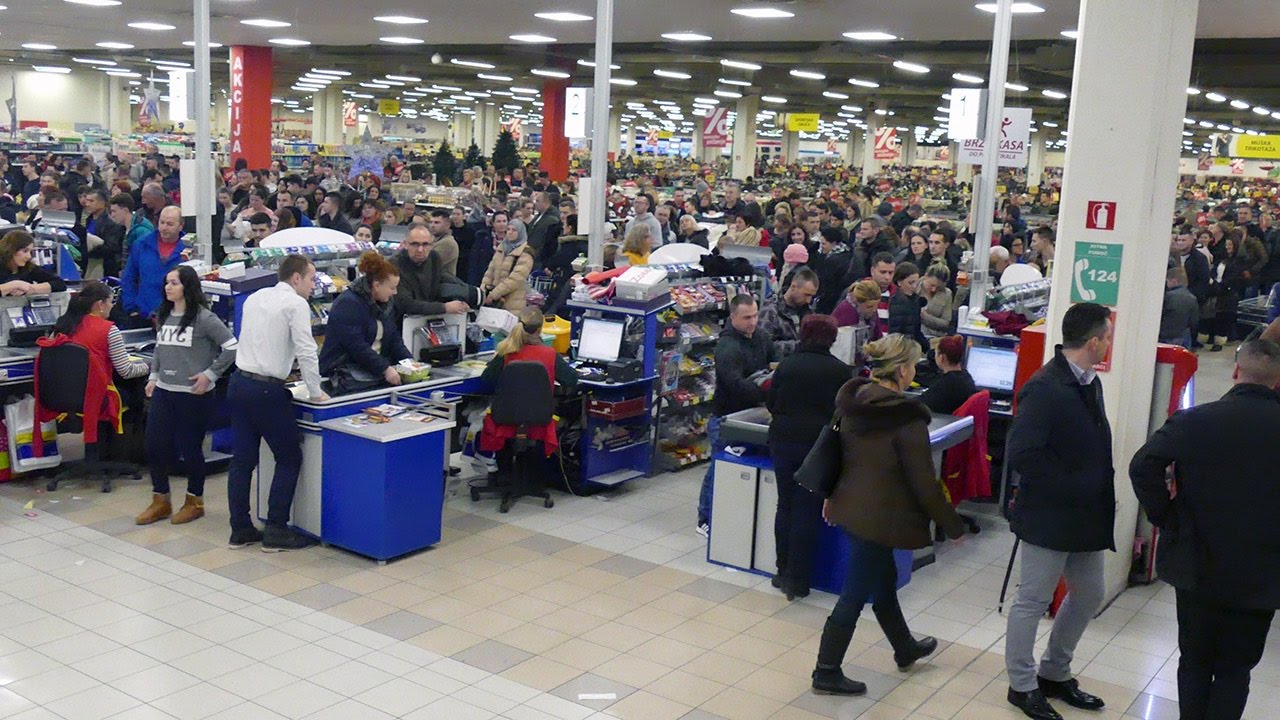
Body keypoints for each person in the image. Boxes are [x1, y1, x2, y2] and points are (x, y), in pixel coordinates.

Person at [1127, 338, 1280, 720]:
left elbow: (1142, 467)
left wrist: (1168, 516)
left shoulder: (1195, 421)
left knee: (1194, 662)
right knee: (1235, 669)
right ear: (1277, 381)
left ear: (1236, 370)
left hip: (1197, 563)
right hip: (1262, 573)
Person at [812, 334, 965, 696]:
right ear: (900, 370)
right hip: (879, 517)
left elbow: (839, 454)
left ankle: (904, 647)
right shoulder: (906, 420)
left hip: (851, 507)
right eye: (912, 365)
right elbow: (925, 483)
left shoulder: (853, 401)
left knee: (883, 584)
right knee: (854, 595)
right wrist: (952, 524)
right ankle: (826, 670)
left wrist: (830, 495)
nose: (915, 371)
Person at [1005, 302, 1114, 720]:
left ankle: (1055, 671)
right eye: (1106, 336)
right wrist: (1074, 483)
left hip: (1086, 514)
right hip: (1049, 514)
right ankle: (1022, 684)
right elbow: (1023, 454)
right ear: (1092, 341)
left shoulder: (1089, 382)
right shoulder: (1045, 387)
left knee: (1088, 593)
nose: (1108, 343)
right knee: (1032, 599)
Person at [226, 254, 327, 552]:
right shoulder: (295, 303)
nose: (313, 285)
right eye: (311, 279)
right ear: (296, 278)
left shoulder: (256, 297)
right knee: (289, 457)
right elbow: (306, 351)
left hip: (240, 383)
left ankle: (240, 528)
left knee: (242, 460)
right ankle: (276, 529)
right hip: (267, 392)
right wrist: (316, 391)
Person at [136, 267, 238, 526]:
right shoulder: (164, 314)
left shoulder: (205, 318)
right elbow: (161, 347)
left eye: (174, 283)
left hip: (194, 395)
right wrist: (153, 377)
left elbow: (232, 347)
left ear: (187, 287)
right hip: (165, 392)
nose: (168, 287)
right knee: (154, 445)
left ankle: (195, 501)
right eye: (167, 282)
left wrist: (210, 375)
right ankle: (161, 499)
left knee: (191, 448)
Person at [766, 315, 851, 601]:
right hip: (817, 447)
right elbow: (843, 415)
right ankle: (799, 580)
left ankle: (781, 570)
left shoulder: (787, 365)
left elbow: (772, 402)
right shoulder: (840, 372)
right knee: (807, 511)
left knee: (785, 505)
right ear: (832, 338)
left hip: (782, 441)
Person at [696, 294, 778, 536]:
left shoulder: (762, 337)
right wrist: (763, 387)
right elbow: (734, 384)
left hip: (755, 415)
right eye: (746, 318)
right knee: (718, 470)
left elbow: (776, 364)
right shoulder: (727, 347)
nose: (752, 322)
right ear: (733, 318)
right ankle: (705, 518)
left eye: (754, 316)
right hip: (726, 418)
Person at [319, 251, 411, 395]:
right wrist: (385, 368)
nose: (395, 292)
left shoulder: (386, 304)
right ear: (376, 285)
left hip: (373, 373)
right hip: (344, 376)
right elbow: (356, 345)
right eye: (392, 288)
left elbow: (393, 338)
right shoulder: (348, 303)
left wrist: (409, 364)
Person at [121, 206, 186, 326]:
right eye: (162, 223)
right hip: (143, 314)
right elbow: (129, 277)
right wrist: (131, 307)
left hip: (178, 315)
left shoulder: (189, 248)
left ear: (181, 226)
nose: (164, 228)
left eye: (170, 224)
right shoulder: (141, 244)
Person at [392, 225, 470, 323]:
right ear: (405, 244)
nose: (420, 250)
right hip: (402, 322)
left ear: (432, 245)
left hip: (429, 318)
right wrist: (444, 307)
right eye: (415, 244)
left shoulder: (434, 257)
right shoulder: (394, 265)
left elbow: (447, 278)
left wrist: (466, 294)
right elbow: (405, 304)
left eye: (425, 244)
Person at [758, 268, 818, 356]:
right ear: (793, 287)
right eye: (806, 295)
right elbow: (763, 346)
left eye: (812, 296)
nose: (809, 300)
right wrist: (798, 346)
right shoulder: (771, 311)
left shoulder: (808, 311)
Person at [482, 218, 535, 313]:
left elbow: (515, 279)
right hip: (494, 302)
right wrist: (483, 292)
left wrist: (493, 295)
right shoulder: (501, 248)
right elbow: (489, 273)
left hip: (513, 303)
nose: (510, 232)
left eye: (514, 230)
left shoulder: (526, 253)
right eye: (508, 229)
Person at [920, 335, 977, 415]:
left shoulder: (947, 384)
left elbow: (920, 404)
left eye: (936, 353)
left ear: (941, 357)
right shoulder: (965, 376)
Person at [0, 230, 67, 296]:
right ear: (10, 249)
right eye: (25, 251)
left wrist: (31, 288)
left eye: (31, 252)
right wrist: (14, 285)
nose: (29, 256)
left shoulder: (28, 267)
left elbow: (60, 284)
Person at [888, 262, 926, 350]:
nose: (914, 286)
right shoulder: (895, 301)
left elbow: (916, 329)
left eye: (916, 282)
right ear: (899, 282)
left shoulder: (915, 300)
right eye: (910, 282)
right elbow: (895, 332)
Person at [1160, 264, 1200, 348]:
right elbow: (1194, 322)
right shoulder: (1192, 298)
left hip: (1164, 336)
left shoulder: (1167, 297)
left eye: (1167, 281)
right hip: (1183, 337)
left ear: (1174, 281)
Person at [427, 208, 460, 279]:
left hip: (442, 284)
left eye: (437, 223)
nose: (432, 225)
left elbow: (428, 263)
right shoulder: (434, 240)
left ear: (447, 225)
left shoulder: (447, 243)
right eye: (431, 222)